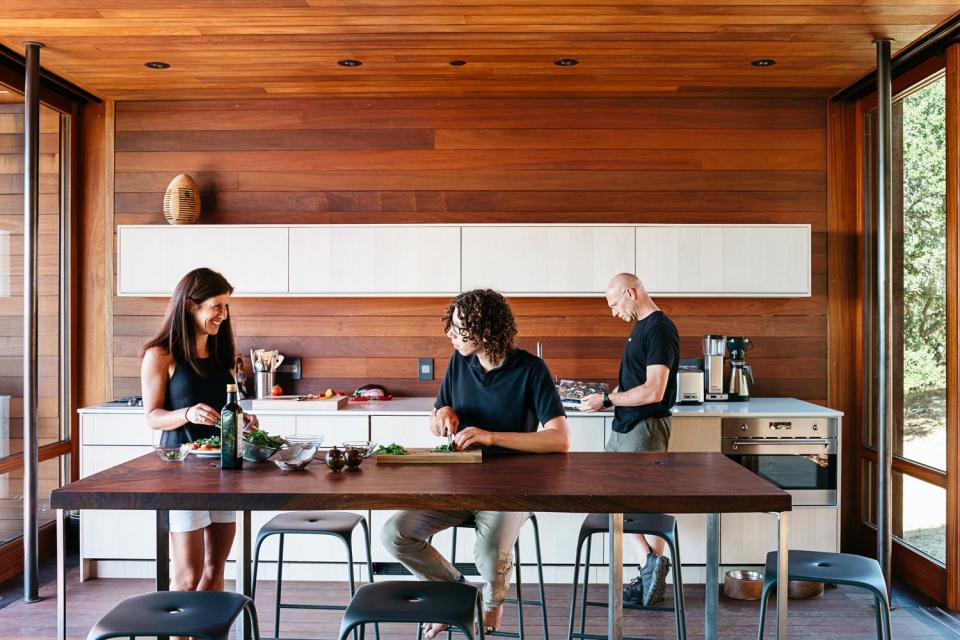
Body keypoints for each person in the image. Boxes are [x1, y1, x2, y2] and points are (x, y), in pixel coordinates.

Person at [381, 289, 570, 638]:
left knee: (487, 553)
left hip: (511, 491)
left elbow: (559, 439)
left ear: (486, 331)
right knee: (395, 533)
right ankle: (458, 596)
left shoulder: (531, 370)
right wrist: (442, 415)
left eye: (459, 328)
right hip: (457, 484)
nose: (449, 335)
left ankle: (492, 605)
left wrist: (492, 436)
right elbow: (438, 414)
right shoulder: (459, 362)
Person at [140, 267, 256, 601]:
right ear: (191, 305)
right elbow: (153, 417)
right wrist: (187, 413)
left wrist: (242, 419)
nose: (223, 314)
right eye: (216, 306)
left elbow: (225, 410)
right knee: (188, 578)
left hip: (221, 470)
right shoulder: (160, 354)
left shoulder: (222, 356)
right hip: (181, 473)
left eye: (226, 306)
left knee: (215, 572)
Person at [580, 272, 679, 606]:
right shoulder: (640, 330)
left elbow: (654, 390)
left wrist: (607, 401)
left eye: (613, 304)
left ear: (630, 292)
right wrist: (603, 396)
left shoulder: (659, 329)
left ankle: (651, 566)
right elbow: (634, 383)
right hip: (626, 426)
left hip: (644, 427)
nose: (613, 312)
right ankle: (650, 568)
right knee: (618, 497)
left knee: (642, 504)